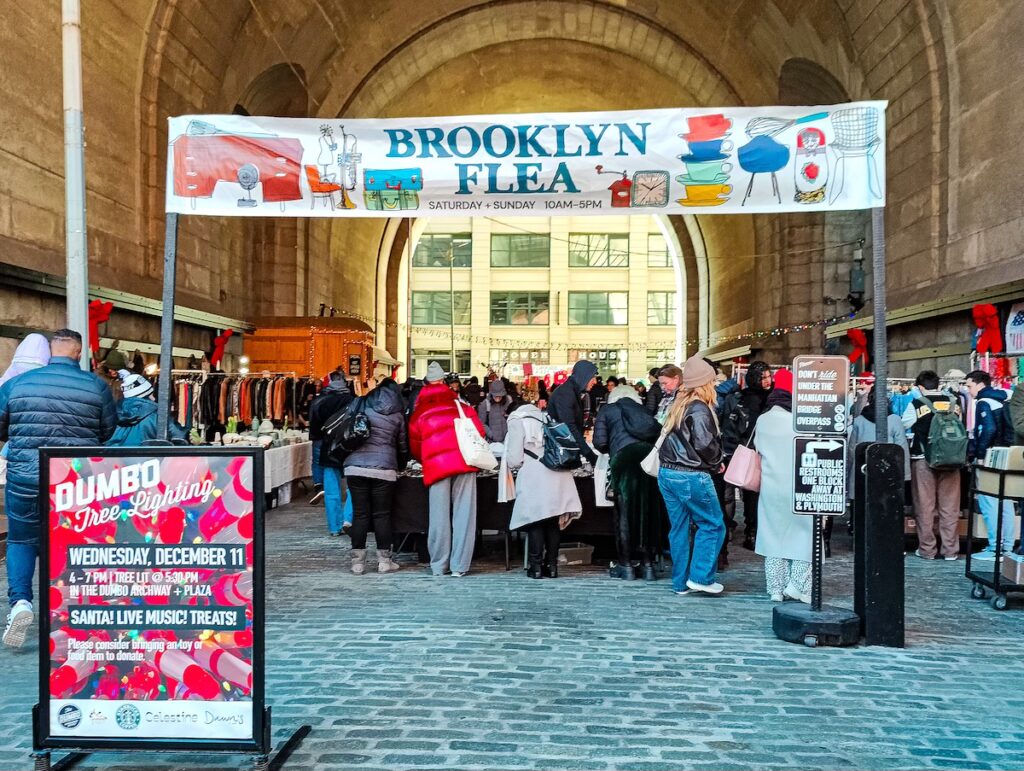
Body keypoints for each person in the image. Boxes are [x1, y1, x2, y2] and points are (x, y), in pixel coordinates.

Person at [0, 329, 117, 647]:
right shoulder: (96, 386)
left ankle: (21, 604)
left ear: (50, 351)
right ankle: (69, 614)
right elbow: (107, 431)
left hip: (26, 477)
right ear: (78, 353)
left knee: (22, 541)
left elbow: (1, 426)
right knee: (74, 543)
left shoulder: (18, 383)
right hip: (75, 481)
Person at [657, 355, 727, 595]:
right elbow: (705, 444)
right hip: (690, 474)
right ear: (705, 383)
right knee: (713, 525)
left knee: (679, 527)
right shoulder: (699, 408)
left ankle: (680, 582)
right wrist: (718, 462)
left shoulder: (680, 404)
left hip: (668, 473)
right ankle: (700, 577)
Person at [409, 361, 486, 576]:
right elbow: (479, 432)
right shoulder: (461, 406)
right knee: (464, 514)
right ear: (444, 382)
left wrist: (429, 458)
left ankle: (438, 564)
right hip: (465, 462)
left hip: (436, 467)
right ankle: (459, 566)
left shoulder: (420, 411)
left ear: (426, 383)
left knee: (438, 516)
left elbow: (415, 445)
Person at [753, 369, 814, 603]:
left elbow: (758, 449)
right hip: (799, 485)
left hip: (770, 487)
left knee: (772, 537)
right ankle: (798, 585)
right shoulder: (800, 421)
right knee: (805, 535)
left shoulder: (763, 419)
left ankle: (775, 589)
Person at [505, 395, 582, 578]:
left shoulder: (517, 419)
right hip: (558, 473)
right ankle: (552, 567)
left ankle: (536, 567)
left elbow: (515, 459)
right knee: (552, 520)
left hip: (535, 474)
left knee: (536, 520)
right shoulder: (546, 416)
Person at [593, 384, 663, 580]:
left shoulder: (607, 410)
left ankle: (626, 566)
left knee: (623, 512)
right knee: (647, 512)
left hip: (623, 459)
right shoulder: (643, 410)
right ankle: (648, 565)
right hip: (648, 460)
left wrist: (614, 448)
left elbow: (600, 443)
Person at [344, 378, 407, 575]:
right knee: (382, 515)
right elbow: (402, 445)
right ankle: (384, 561)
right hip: (384, 468)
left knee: (360, 514)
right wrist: (400, 465)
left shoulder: (361, 403)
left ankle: (358, 563)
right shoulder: (397, 414)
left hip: (355, 467)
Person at [901, 370, 963, 560]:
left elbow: (904, 425)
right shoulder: (955, 403)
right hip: (952, 461)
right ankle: (950, 551)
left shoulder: (916, 404)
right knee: (950, 507)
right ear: (938, 384)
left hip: (923, 459)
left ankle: (927, 549)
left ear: (920, 387)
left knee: (925, 506)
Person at [719, 362, 774, 552]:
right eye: (763, 377)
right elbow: (730, 428)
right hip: (743, 452)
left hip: (765, 453)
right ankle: (731, 530)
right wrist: (730, 453)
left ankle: (754, 530)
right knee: (734, 493)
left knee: (756, 495)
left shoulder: (774, 398)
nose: (767, 381)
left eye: (768, 376)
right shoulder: (739, 399)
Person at [965, 370, 1015, 559]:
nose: (968, 390)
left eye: (969, 386)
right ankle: (1007, 547)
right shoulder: (1005, 396)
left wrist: (980, 454)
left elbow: (988, 428)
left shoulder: (984, 401)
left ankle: (995, 547)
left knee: (989, 501)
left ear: (980, 384)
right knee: (1006, 500)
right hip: (1008, 454)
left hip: (992, 455)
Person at [847, 388, 911, 518]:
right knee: (884, 507)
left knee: (863, 504)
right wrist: (906, 475)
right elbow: (902, 448)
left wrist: (850, 471)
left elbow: (852, 450)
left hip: (863, 470)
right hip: (887, 469)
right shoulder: (895, 420)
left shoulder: (859, 420)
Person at [308, 371, 355, 537]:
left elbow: (314, 432)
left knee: (331, 490)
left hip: (329, 450)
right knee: (353, 488)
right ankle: (348, 519)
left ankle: (334, 527)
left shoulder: (319, 401)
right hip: (351, 448)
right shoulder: (354, 401)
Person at [107, 370, 186, 445]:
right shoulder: (158, 416)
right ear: (146, 394)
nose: (154, 398)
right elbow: (180, 438)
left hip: (116, 458)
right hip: (149, 458)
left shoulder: (112, 415)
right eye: (151, 393)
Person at [546, 360, 600, 468]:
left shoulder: (572, 392)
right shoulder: (566, 394)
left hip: (564, 452)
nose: (595, 382)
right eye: (592, 377)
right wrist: (590, 455)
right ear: (584, 376)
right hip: (560, 455)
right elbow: (569, 428)